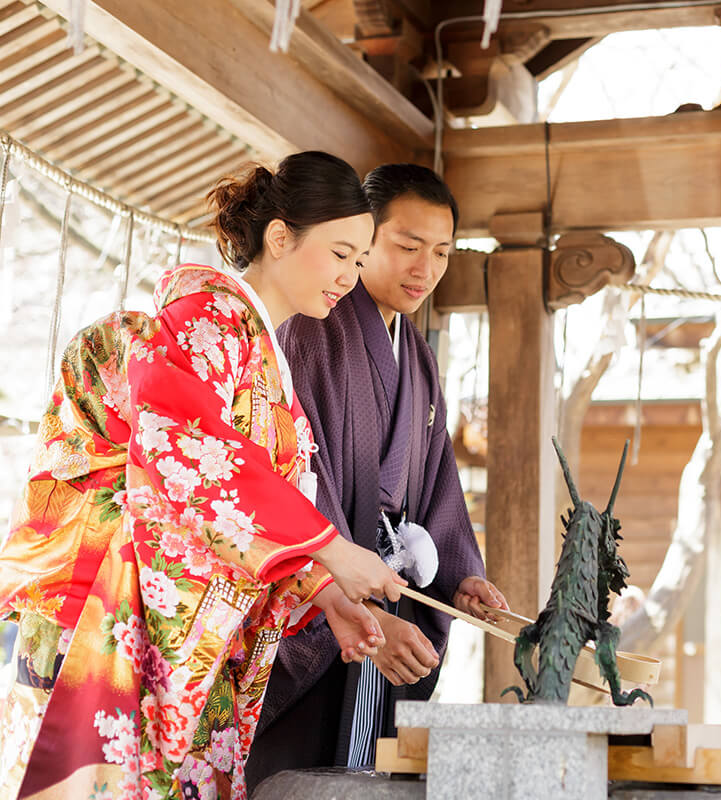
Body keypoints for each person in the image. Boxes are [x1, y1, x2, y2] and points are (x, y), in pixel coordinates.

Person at [0, 151, 406, 800]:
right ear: (279, 237)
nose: (351, 277)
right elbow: (184, 444)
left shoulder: (263, 350)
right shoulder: (209, 316)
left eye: (360, 260)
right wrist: (332, 548)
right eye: (341, 253)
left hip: (187, 635)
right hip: (118, 612)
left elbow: (255, 503)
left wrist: (326, 591)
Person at [246, 164, 508, 783]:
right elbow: (295, 472)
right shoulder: (311, 331)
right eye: (407, 246)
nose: (426, 268)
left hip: (387, 586)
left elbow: (438, 477)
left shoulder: (414, 351)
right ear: (366, 240)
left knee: (367, 770)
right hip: (331, 588)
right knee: (304, 772)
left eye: (442, 252)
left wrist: (459, 572)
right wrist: (342, 578)